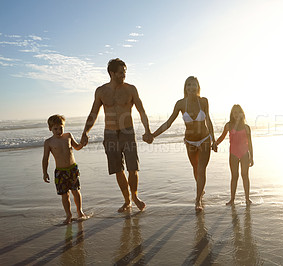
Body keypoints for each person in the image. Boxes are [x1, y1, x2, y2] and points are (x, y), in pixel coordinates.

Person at [81, 58, 152, 212]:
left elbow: (141, 111)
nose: (123, 76)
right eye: (120, 73)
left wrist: (147, 130)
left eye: (124, 73)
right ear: (112, 73)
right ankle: (127, 201)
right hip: (110, 133)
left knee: (133, 168)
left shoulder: (131, 89)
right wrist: (85, 132)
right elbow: (93, 113)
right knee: (117, 169)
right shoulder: (101, 91)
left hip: (128, 132)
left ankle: (134, 196)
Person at [151, 76, 217, 211]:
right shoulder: (180, 104)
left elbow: (208, 121)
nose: (191, 87)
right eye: (189, 85)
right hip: (190, 142)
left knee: (201, 169)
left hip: (204, 139)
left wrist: (214, 139)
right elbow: (169, 123)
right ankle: (201, 190)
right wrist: (153, 135)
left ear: (198, 87)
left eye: (194, 85)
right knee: (195, 168)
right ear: (185, 88)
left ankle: (198, 199)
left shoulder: (204, 101)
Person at [42, 114, 87, 224]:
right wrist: (44, 172)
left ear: (64, 126)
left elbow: (77, 147)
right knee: (64, 194)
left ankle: (79, 211)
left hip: (72, 169)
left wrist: (83, 143)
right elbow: (45, 158)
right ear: (50, 129)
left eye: (61, 127)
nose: (58, 131)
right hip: (60, 172)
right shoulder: (48, 142)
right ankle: (68, 215)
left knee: (76, 191)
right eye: (55, 129)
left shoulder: (68, 136)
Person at [214, 104, 254, 205]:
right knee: (234, 176)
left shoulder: (246, 127)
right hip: (233, 154)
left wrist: (252, 157)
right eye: (235, 112)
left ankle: (247, 199)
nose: (237, 114)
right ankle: (232, 199)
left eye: (239, 112)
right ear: (232, 114)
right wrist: (215, 143)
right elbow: (222, 137)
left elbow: (250, 143)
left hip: (245, 153)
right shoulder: (229, 125)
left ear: (242, 114)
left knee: (245, 175)